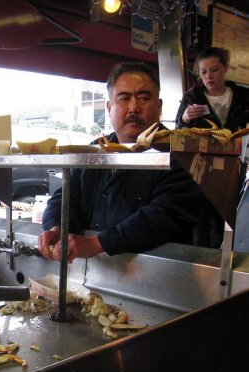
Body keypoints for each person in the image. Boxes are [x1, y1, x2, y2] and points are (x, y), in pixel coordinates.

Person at [37, 61, 206, 262]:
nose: (133, 108)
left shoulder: (180, 152)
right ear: (109, 107)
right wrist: (58, 226)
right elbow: (65, 196)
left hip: (157, 276)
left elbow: (167, 215)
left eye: (143, 98)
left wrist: (97, 244)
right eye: (124, 99)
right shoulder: (94, 150)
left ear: (159, 106)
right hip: (94, 272)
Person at [175, 47, 248, 248]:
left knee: (229, 220)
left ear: (225, 68)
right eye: (204, 72)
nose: (208, 76)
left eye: (214, 70)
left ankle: (225, 260)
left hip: (235, 167)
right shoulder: (192, 97)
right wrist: (186, 117)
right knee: (200, 220)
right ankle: (202, 263)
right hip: (201, 169)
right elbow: (178, 131)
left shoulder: (242, 96)